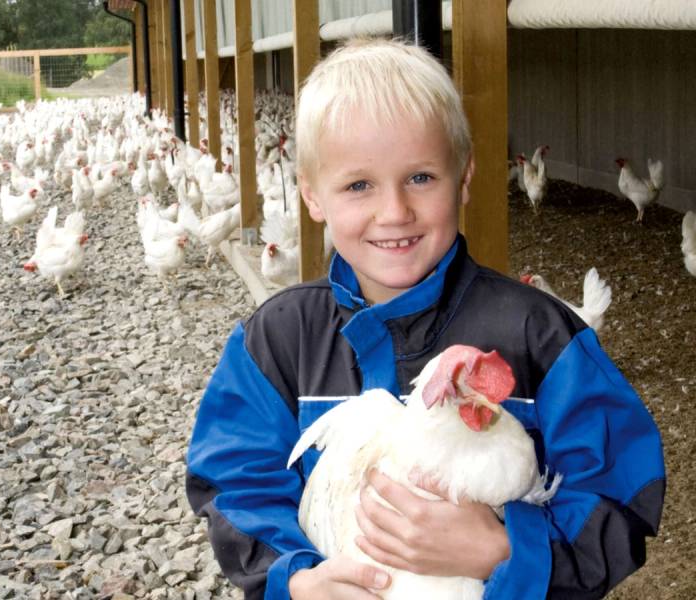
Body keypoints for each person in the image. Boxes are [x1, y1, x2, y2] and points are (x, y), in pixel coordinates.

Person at [186, 37, 665, 599]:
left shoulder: (541, 336)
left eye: (420, 178)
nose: (394, 212)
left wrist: (506, 550)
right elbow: (234, 485)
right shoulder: (276, 342)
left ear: (464, 178)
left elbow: (619, 496)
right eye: (359, 184)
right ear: (313, 197)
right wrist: (297, 580)